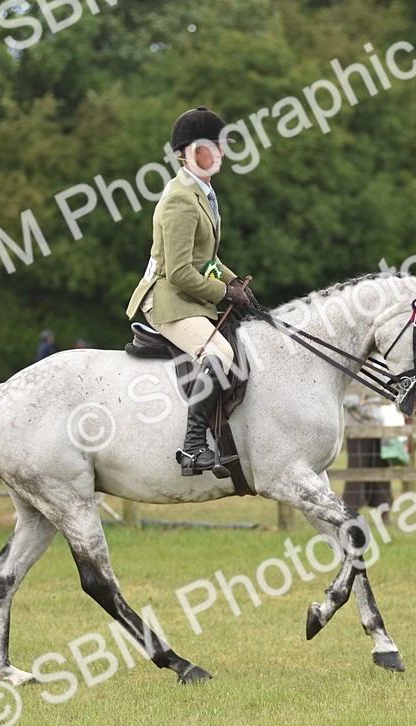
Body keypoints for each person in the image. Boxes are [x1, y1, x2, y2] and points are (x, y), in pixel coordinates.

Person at [124, 106, 252, 476]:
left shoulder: (203, 192)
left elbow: (205, 258)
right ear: (188, 153)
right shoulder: (180, 198)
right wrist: (223, 293)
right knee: (219, 354)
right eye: (211, 146)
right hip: (167, 299)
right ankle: (194, 447)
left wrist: (233, 282)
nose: (220, 153)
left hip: (187, 296)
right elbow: (179, 272)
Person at [342, 390, 396, 514]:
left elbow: (386, 399)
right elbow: (345, 399)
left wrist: (370, 399)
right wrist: (360, 399)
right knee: (357, 470)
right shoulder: (352, 382)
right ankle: (352, 511)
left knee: (381, 470)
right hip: (357, 431)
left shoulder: (375, 380)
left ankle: (384, 511)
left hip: (379, 430)